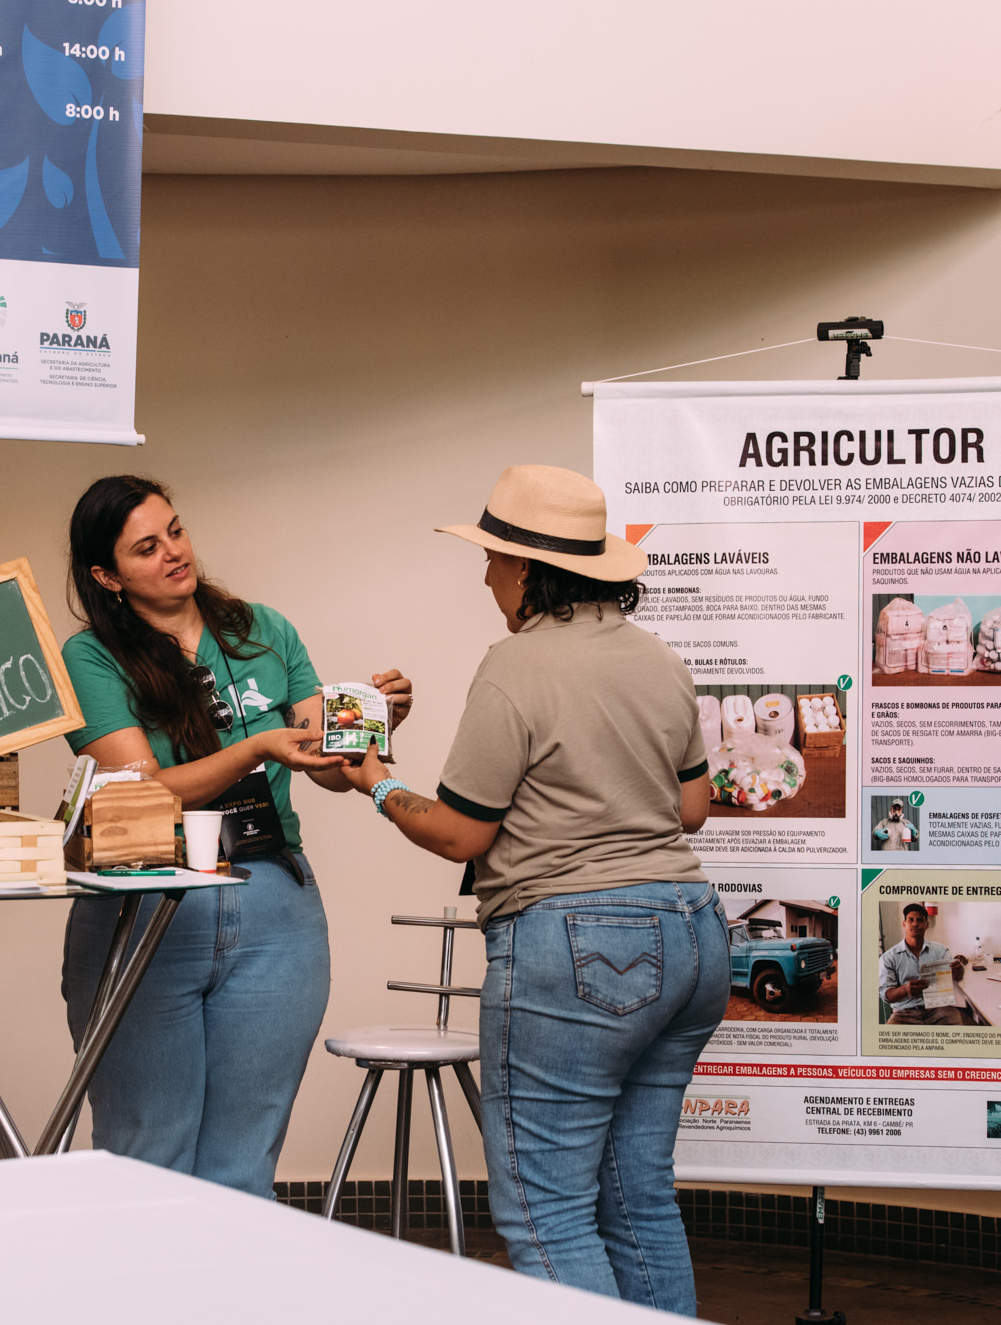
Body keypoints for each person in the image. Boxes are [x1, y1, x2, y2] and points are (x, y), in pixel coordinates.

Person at [334, 464, 724, 1312]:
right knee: (639, 1196)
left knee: (543, 1209)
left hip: (577, 947)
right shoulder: (660, 658)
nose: (484, 575)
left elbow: (459, 833)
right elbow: (692, 807)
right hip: (693, 933)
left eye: (492, 558)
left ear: (528, 569)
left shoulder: (514, 666)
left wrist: (373, 779)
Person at [57, 474, 410, 1198]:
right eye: (146, 547)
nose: (174, 554)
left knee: (244, 1162)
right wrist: (255, 748)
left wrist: (370, 727)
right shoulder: (92, 656)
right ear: (106, 574)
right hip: (150, 904)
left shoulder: (264, 629)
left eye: (176, 532)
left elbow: (323, 763)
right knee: (145, 1154)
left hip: (274, 903)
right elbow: (141, 788)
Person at [878, 903, 966, 1025]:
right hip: (904, 1013)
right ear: (904, 924)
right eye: (911, 920)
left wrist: (959, 971)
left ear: (927, 925)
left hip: (940, 1009)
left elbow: (956, 975)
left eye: (920, 920)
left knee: (957, 1036)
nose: (915, 924)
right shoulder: (888, 957)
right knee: (886, 1040)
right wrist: (904, 989)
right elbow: (886, 994)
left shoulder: (940, 951)